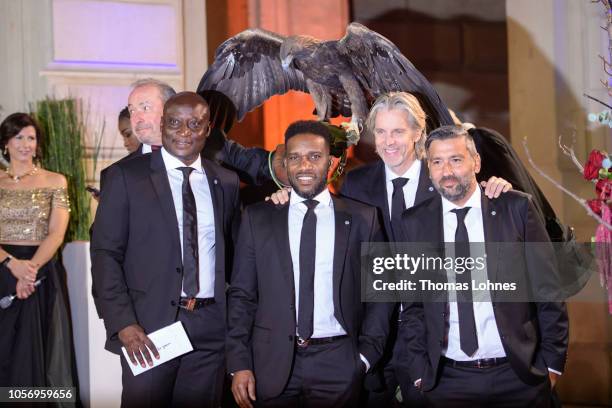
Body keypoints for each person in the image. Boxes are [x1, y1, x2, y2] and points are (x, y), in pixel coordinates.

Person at [269, 92, 512, 407]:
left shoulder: (445, 178)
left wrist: (497, 189)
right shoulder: (356, 183)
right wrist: (284, 200)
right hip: (372, 338)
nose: (388, 141)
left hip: (434, 336)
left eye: (398, 131)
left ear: (417, 134)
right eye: (381, 132)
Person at [393, 125, 569, 407]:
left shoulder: (516, 209)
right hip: (447, 381)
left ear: (476, 162)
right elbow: (413, 307)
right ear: (429, 169)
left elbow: (548, 293)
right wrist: (418, 371)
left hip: (519, 377)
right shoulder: (415, 222)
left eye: (456, 159)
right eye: (437, 162)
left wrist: (551, 365)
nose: (446, 170)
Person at [227, 120, 391, 408]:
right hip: (271, 363)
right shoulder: (258, 218)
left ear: (330, 161)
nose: (304, 166)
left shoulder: (364, 218)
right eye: (294, 157)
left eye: (314, 157)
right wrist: (239, 362)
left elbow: (381, 294)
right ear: (284, 163)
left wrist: (365, 357)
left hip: (339, 363)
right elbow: (242, 296)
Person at [91, 92, 240, 407]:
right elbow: (105, 255)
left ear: (208, 128)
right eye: (174, 123)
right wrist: (123, 323)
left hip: (210, 329)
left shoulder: (225, 182)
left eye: (194, 124)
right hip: (149, 329)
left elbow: (235, 255)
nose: (184, 132)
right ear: (162, 125)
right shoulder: (124, 177)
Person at [0, 113, 78, 392]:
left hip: (41, 272)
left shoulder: (55, 181)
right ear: (5, 143)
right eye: (18, 137)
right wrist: (11, 264)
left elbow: (56, 233)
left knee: (37, 351)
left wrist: (29, 270)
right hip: (2, 270)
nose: (25, 144)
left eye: (30, 137)